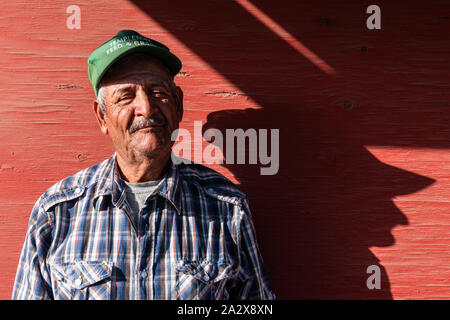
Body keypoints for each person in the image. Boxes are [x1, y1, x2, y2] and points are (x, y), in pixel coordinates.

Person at [12, 30, 275, 300]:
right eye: (126, 96)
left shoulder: (226, 207)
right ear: (102, 116)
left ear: (178, 104)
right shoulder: (57, 212)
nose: (146, 108)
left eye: (157, 92)